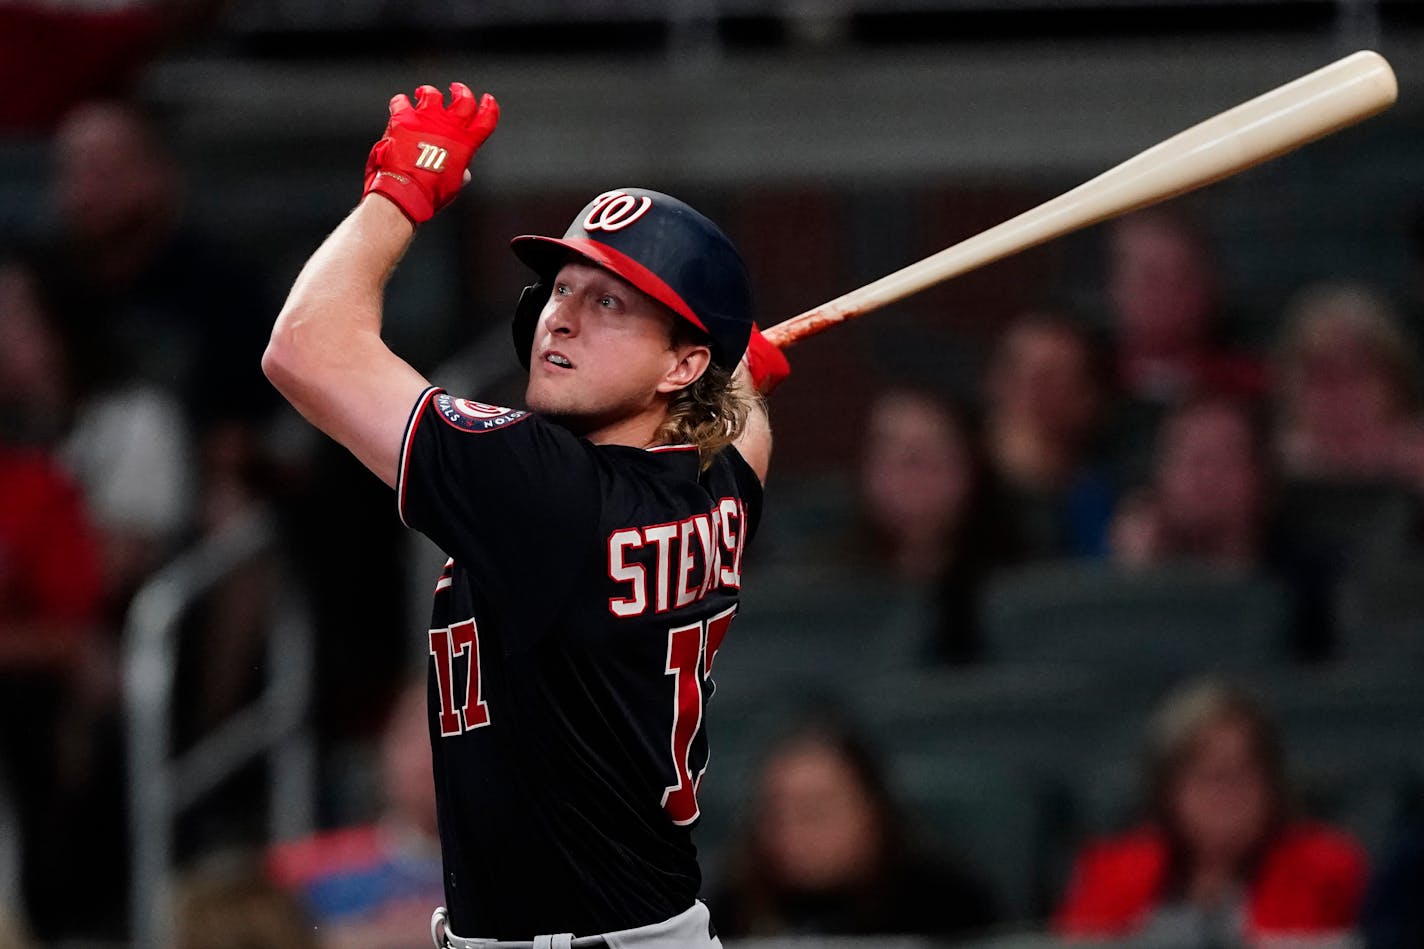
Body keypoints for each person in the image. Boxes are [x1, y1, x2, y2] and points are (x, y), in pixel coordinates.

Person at [263, 83, 788, 947]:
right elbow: (742, 426)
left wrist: (399, 193)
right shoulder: (718, 483)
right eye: (563, 289)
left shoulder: (543, 484)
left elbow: (304, 347)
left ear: (681, 363)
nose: (561, 319)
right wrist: (726, 371)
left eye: (610, 303)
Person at [1055, 679, 1367, 944]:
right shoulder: (1111, 872)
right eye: (1207, 776)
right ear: (1167, 788)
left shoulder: (1328, 871)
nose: (1226, 794)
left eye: (1242, 773)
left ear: (1272, 784)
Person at [709, 716, 997, 940]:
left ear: (871, 812)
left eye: (815, 812)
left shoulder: (948, 906)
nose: (791, 834)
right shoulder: (730, 910)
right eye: (776, 815)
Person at [268, 678, 444, 949]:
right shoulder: (305, 871)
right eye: (413, 735)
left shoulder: (516, 869)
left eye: (443, 738)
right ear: (385, 745)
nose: (427, 755)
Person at [856, 387, 1018, 662]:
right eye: (890, 449)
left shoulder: (1021, 582)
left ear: (971, 467)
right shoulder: (826, 583)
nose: (909, 470)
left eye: (929, 452)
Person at [983, 312, 1115, 558]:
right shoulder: (953, 493)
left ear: (1088, 397)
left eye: (1051, 377)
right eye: (1016, 371)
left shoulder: (1112, 502)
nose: (1030, 390)